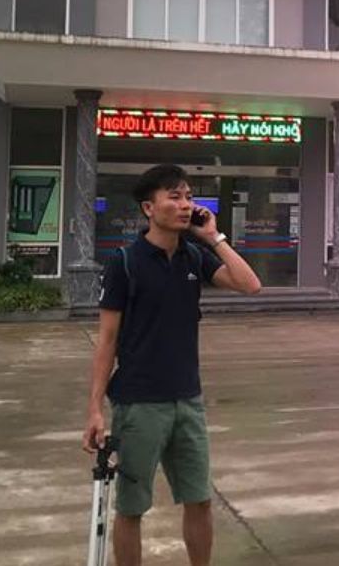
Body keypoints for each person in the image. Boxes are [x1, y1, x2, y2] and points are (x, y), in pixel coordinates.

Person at [81, 164, 261, 566]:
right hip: (139, 404)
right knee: (131, 508)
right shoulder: (125, 263)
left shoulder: (194, 256)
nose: (185, 205)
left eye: (189, 197)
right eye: (174, 196)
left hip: (187, 401)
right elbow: (107, 340)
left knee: (199, 501)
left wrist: (214, 237)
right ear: (149, 207)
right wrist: (95, 408)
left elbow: (250, 284)